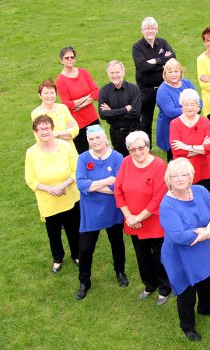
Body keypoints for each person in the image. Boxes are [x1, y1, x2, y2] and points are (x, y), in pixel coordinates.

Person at [159, 158, 210, 342]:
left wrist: (208, 230)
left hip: (204, 250)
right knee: (186, 293)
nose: (180, 179)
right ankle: (187, 326)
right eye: (175, 175)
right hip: (180, 257)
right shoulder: (167, 204)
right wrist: (206, 233)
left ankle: (205, 307)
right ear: (168, 179)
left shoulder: (200, 191)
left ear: (191, 176)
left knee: (209, 279)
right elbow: (178, 236)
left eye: (184, 174)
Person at [114, 131, 171, 304]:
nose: (137, 152)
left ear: (148, 146)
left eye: (141, 148)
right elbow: (118, 190)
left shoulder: (160, 165)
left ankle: (165, 287)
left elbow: (158, 198)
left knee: (159, 256)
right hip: (133, 221)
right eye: (133, 149)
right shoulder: (125, 163)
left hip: (154, 221)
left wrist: (138, 217)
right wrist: (129, 217)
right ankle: (149, 284)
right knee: (142, 256)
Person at [75, 125, 128, 300]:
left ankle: (120, 271)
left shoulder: (117, 157)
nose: (95, 142)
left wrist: (93, 185)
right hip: (90, 212)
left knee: (117, 243)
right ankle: (84, 281)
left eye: (98, 138)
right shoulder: (83, 158)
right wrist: (107, 181)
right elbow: (81, 184)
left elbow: (118, 187)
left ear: (105, 138)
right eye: (91, 139)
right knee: (85, 249)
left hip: (113, 210)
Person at [25, 115, 80, 273]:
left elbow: (77, 170)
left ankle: (76, 254)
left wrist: (63, 185)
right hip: (47, 200)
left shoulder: (64, 146)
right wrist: (50, 189)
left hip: (68, 194)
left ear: (52, 129)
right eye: (41, 129)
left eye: (47, 128)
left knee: (73, 228)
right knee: (53, 231)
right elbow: (30, 179)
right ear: (35, 131)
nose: (44, 131)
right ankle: (57, 258)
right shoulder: (31, 153)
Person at [132, 17, 176, 146]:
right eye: (147, 28)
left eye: (152, 28)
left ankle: (170, 145)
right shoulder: (137, 47)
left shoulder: (162, 42)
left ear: (156, 30)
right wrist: (163, 62)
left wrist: (155, 61)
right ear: (142, 30)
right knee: (146, 120)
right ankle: (147, 147)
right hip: (146, 90)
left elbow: (173, 58)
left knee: (169, 116)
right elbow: (142, 67)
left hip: (165, 88)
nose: (150, 31)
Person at [169, 89, 210, 191]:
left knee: (203, 198)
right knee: (184, 199)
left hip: (203, 168)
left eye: (192, 104)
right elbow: (177, 151)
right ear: (182, 106)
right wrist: (202, 149)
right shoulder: (175, 124)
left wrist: (186, 147)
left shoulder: (205, 121)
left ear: (198, 106)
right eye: (186, 105)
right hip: (183, 170)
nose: (189, 108)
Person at [55, 46, 100, 153]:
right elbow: (67, 104)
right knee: (82, 152)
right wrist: (87, 97)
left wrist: (80, 105)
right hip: (77, 123)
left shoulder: (83, 72)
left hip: (92, 117)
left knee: (100, 147)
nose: (70, 59)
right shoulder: (60, 80)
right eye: (67, 58)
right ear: (61, 60)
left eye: (72, 57)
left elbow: (96, 92)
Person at [156, 58, 199, 161]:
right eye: (170, 72)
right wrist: (191, 109)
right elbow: (170, 112)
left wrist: (197, 107)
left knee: (191, 156)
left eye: (176, 71)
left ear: (181, 72)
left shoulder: (187, 83)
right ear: (165, 74)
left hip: (189, 126)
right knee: (175, 159)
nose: (173, 74)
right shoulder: (163, 90)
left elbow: (198, 100)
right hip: (171, 129)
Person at [98, 60, 142, 156]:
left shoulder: (134, 89)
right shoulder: (104, 91)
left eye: (117, 72)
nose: (115, 75)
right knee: (121, 160)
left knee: (137, 157)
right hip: (116, 133)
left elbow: (136, 114)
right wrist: (125, 109)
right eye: (111, 73)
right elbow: (102, 114)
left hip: (134, 131)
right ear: (108, 74)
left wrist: (112, 112)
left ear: (123, 72)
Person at [31, 79, 79, 150]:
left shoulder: (63, 108)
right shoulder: (36, 113)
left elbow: (75, 130)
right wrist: (65, 131)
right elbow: (41, 138)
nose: (49, 96)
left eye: (52, 92)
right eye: (46, 93)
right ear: (40, 95)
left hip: (69, 150)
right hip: (52, 152)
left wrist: (55, 134)